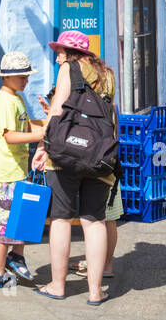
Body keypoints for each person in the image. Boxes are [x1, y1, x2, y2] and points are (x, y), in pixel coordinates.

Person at [31, 31, 117, 305]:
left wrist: (43, 146)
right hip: (99, 155)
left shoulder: (70, 68)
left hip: (65, 153)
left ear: (70, 53)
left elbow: (57, 109)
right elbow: (113, 116)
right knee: (94, 221)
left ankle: (58, 286)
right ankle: (95, 290)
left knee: (61, 217)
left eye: (59, 52)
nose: (57, 58)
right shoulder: (108, 75)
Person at [0, 52, 44, 288]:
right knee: (4, 222)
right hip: (7, 170)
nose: (26, 81)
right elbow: (10, 136)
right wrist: (39, 135)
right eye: (22, 76)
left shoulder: (17, 98)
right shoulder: (5, 101)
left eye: (27, 76)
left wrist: (47, 122)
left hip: (17, 168)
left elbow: (28, 123)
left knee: (22, 216)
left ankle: (17, 256)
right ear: (7, 77)